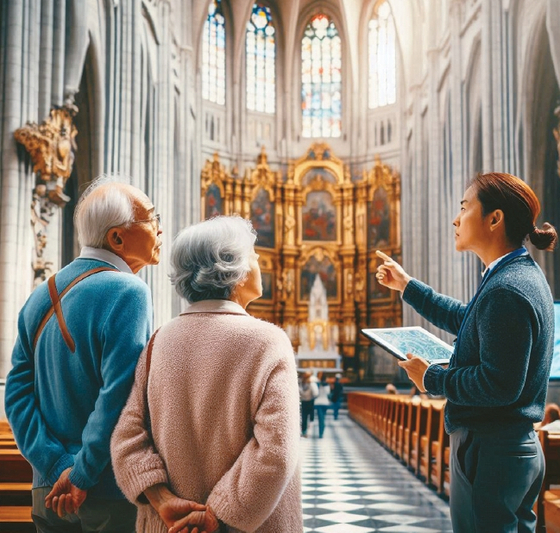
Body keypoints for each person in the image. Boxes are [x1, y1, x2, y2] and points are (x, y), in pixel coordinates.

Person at [376, 172, 558, 533]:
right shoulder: (514, 275)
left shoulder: (508, 288)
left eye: (464, 207)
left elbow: (498, 384)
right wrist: (407, 286)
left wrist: (431, 377)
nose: (456, 219)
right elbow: (467, 318)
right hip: (507, 447)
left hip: (490, 450)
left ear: (494, 218)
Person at [111, 216, 302, 533]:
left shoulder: (160, 340)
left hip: (170, 524)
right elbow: (275, 453)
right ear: (234, 269)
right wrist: (216, 516)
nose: (258, 261)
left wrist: (162, 500)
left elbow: (126, 437)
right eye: (252, 254)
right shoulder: (268, 341)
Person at [4, 175, 163, 532]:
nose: (159, 229)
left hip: (48, 491)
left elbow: (15, 397)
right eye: (151, 218)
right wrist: (80, 473)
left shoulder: (39, 295)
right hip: (104, 490)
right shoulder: (129, 291)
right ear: (117, 237)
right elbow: (120, 395)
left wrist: (56, 466)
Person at [299, 371, 319, 437]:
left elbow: (298, 392)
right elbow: (316, 393)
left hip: (303, 401)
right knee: (310, 418)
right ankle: (308, 431)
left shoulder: (301, 383)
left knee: (304, 417)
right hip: (310, 401)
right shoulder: (312, 384)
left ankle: (304, 431)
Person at [314, 373, 331, 438]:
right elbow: (328, 393)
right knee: (323, 417)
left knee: (320, 418)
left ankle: (320, 432)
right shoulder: (327, 385)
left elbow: (316, 393)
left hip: (318, 402)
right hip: (325, 403)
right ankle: (322, 431)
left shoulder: (318, 384)